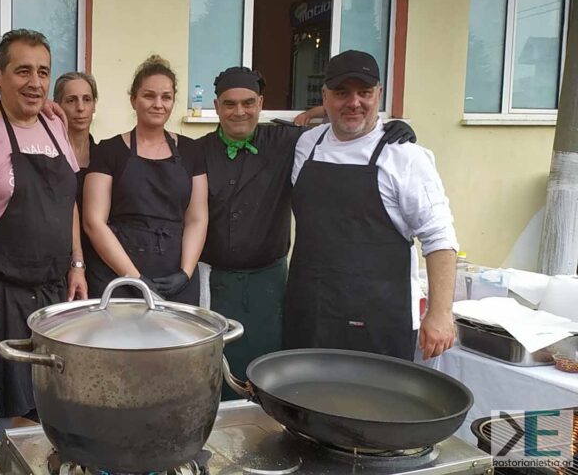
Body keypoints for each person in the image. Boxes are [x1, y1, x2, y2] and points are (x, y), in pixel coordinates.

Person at [198, 67, 416, 397]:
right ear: (216, 106)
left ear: (260, 103)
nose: (239, 111)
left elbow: (343, 125)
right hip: (213, 282)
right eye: (229, 104)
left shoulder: (288, 141)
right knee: (214, 374)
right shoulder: (194, 151)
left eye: (247, 103)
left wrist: (388, 128)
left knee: (269, 372)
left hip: (270, 283)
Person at [286, 49, 457, 361]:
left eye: (364, 92)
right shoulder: (307, 144)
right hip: (309, 316)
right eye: (341, 93)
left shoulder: (405, 156)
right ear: (325, 97)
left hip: (378, 324)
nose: (354, 103)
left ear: (378, 94)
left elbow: (440, 238)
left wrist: (440, 313)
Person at [0, 29, 87, 428]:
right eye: (23, 71)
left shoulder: (54, 125)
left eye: (43, 72)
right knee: (5, 417)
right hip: (0, 294)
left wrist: (77, 263)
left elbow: (69, 203)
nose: (35, 83)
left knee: (51, 407)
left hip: (53, 293)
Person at [84, 55, 208, 305]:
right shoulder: (109, 151)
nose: (158, 104)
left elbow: (197, 218)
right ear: (133, 99)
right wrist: (134, 278)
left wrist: (185, 273)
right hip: (118, 279)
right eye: (149, 96)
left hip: (175, 279)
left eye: (166, 97)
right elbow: (93, 222)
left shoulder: (191, 151)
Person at [54, 72, 99, 265]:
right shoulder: (51, 156)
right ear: (57, 105)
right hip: (58, 256)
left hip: (98, 256)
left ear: (94, 104)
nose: (80, 108)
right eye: (71, 100)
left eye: (86, 99)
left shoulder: (105, 156)